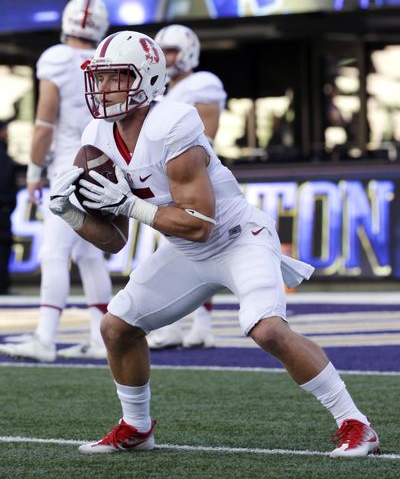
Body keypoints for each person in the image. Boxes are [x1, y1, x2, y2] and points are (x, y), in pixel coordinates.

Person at [47, 30, 379, 457]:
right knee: (117, 327)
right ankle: (137, 426)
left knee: (268, 330)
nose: (105, 89)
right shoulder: (97, 137)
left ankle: (356, 422)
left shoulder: (174, 121)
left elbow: (200, 223)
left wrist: (130, 205)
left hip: (238, 239)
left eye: (118, 77)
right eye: (101, 78)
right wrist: (72, 216)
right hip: (186, 251)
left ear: (147, 79)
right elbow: (113, 241)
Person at [0, 0, 112, 362]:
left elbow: (45, 122)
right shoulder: (105, 59)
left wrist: (33, 171)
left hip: (68, 167)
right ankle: (101, 338)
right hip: (102, 166)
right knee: (89, 256)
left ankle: (45, 338)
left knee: (54, 252)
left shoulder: (57, 58)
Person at [144, 24, 227, 349]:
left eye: (172, 50)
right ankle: (187, 325)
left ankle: (197, 325)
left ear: (189, 51)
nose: (166, 58)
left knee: (194, 251)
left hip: (195, 178)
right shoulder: (159, 89)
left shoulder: (203, 83)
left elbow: (206, 135)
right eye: (162, 51)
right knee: (183, 254)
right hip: (166, 179)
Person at [0, 120, 17, 295]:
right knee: (3, 249)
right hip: (2, 211)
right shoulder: (4, 157)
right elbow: (6, 184)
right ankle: (3, 287)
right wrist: (7, 206)